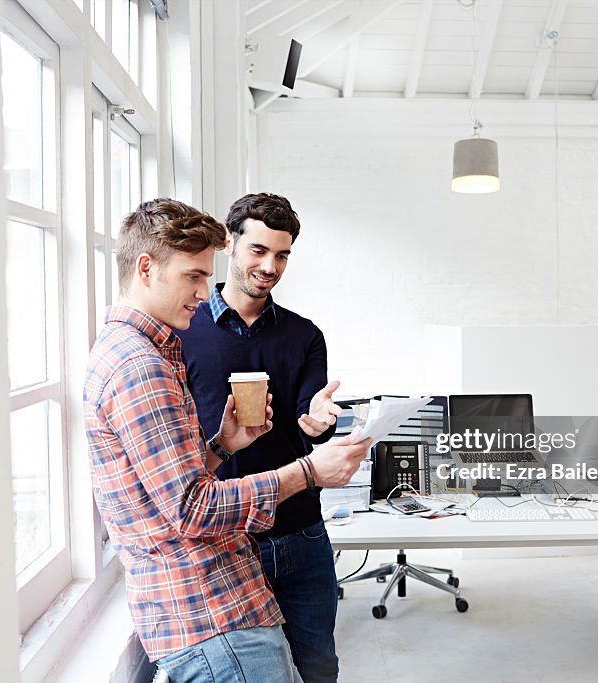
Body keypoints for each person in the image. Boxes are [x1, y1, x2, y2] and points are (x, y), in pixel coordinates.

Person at [83, 198, 371, 683]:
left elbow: (167, 475)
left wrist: (222, 445)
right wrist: (311, 471)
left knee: (319, 666)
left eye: (282, 256)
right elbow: (190, 507)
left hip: (272, 547)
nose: (198, 292)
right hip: (206, 597)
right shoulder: (147, 361)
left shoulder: (150, 347)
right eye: (193, 276)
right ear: (147, 268)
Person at [175, 193, 345, 683]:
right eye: (258, 250)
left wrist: (320, 420)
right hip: (223, 538)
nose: (270, 266)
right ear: (229, 244)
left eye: (282, 255)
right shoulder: (185, 332)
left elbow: (313, 420)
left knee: (318, 666)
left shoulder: (304, 335)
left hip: (301, 531)